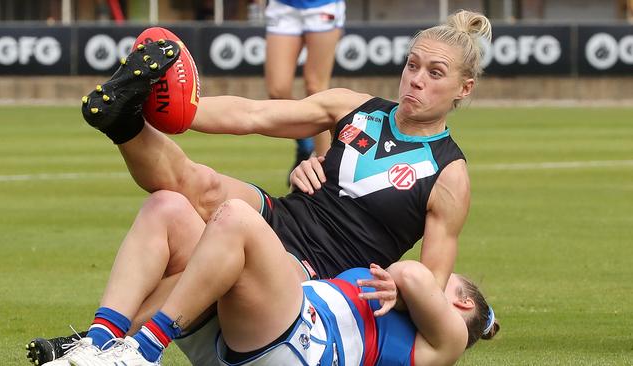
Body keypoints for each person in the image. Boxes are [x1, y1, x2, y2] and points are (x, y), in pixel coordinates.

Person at [27, 9, 493, 364]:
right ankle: (127, 120)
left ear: (463, 89)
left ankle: (125, 344)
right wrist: (182, 112)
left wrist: (397, 285)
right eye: (413, 65)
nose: (416, 80)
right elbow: (254, 115)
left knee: (230, 224)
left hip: (312, 276)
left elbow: (431, 280)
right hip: (284, 217)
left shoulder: (449, 174)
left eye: (435, 74)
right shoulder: (355, 107)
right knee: (181, 197)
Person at [42, 199, 498, 366]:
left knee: (238, 219)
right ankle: (99, 343)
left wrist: (404, 282)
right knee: (168, 209)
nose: (436, 271)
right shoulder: (392, 299)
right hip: (264, 330)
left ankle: (143, 352)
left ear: (459, 305)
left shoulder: (449, 341)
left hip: (303, 349)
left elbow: (414, 273)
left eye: (448, 281)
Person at [263, 0, 346, 177]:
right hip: (283, 6)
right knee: (277, 90)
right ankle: (306, 145)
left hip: (323, 5)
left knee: (316, 86)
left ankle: (326, 171)